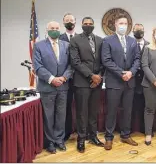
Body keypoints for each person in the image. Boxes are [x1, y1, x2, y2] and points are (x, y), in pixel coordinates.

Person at [101, 14, 140, 150]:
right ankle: (109, 137)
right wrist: (121, 73)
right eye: (121, 23)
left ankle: (125, 135)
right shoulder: (107, 40)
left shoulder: (132, 41)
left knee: (128, 111)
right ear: (115, 25)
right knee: (111, 111)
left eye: (125, 24)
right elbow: (106, 60)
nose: (123, 26)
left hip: (130, 81)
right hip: (114, 82)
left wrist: (131, 72)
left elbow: (137, 59)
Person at [33, 21, 72, 154]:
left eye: (57, 28)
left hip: (63, 86)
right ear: (47, 30)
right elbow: (38, 66)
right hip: (47, 87)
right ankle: (49, 142)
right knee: (48, 116)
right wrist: (52, 79)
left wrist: (64, 77)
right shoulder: (38, 46)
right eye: (52, 28)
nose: (54, 30)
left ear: (60, 30)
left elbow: (71, 65)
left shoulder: (67, 45)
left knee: (61, 115)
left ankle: (59, 139)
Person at [69, 17, 104, 153]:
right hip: (82, 82)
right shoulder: (75, 40)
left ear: (94, 25)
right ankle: (81, 139)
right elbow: (75, 62)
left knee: (94, 111)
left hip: (97, 83)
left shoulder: (100, 40)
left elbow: (103, 60)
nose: (88, 26)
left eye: (90, 24)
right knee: (82, 112)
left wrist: (99, 77)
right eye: (86, 24)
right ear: (82, 25)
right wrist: (91, 76)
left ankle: (93, 136)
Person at [59, 12, 77, 141]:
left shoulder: (82, 38)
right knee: (65, 107)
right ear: (63, 22)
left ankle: (83, 132)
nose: (69, 22)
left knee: (82, 107)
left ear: (75, 22)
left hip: (81, 79)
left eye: (71, 20)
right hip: (65, 79)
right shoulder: (59, 38)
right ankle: (67, 132)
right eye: (67, 20)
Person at [131, 23, 149, 134]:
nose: (139, 31)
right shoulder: (128, 44)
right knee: (131, 106)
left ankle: (144, 128)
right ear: (133, 31)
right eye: (136, 30)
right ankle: (130, 129)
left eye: (141, 30)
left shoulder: (149, 45)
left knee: (145, 106)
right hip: (131, 80)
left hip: (146, 80)